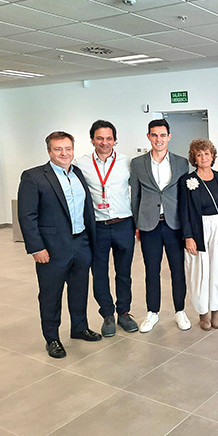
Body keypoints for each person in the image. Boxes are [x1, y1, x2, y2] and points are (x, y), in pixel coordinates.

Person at [18, 131, 101, 359]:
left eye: (68, 149)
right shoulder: (33, 177)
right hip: (52, 249)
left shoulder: (78, 174)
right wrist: (36, 248)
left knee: (79, 289)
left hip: (81, 243)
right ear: (49, 151)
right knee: (50, 294)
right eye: (58, 149)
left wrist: (90, 242)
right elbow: (27, 216)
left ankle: (79, 327)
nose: (64, 153)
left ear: (73, 150)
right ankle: (52, 338)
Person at [74, 120, 138, 337]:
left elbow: (139, 190)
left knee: (124, 272)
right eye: (100, 138)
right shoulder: (80, 164)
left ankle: (124, 312)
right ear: (92, 139)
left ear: (115, 140)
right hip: (97, 228)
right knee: (99, 272)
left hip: (123, 224)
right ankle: (107, 315)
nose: (104, 142)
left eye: (109, 138)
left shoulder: (126, 162)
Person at [130, 119, 190, 333]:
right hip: (149, 226)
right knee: (151, 270)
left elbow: (186, 198)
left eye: (162, 135)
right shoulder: (138, 164)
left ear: (169, 136)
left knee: (177, 270)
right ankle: (152, 312)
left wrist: (187, 227)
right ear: (148, 137)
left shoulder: (182, 163)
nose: (158, 139)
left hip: (175, 225)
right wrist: (137, 224)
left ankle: (180, 311)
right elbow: (135, 196)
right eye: (154, 135)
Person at [179, 139, 218, 331]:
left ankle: (216, 309)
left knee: (217, 269)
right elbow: (183, 210)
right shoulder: (187, 181)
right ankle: (203, 312)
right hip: (198, 228)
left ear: (213, 156)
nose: (203, 157)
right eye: (199, 154)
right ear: (194, 158)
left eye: (207, 153)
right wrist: (188, 236)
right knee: (199, 271)